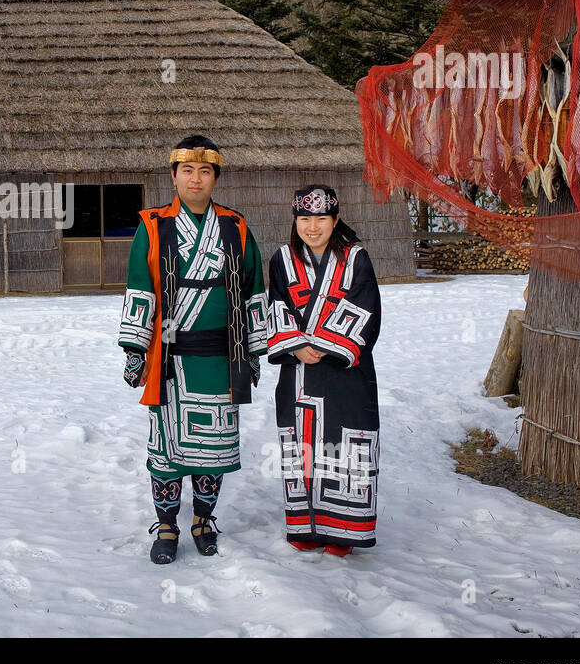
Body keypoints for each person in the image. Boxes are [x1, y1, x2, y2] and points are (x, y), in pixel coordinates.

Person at [117, 135, 268, 564]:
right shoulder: (152, 226)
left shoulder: (235, 228)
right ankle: (167, 525)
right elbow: (139, 287)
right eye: (187, 170)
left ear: (215, 178)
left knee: (212, 449)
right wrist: (134, 349)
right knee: (166, 451)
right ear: (173, 175)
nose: (196, 179)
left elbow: (255, 289)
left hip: (221, 357)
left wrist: (253, 350)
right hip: (168, 360)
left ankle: (204, 519)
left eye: (205, 171)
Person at [265, 185, 382, 556]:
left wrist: (326, 345)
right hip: (297, 371)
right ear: (294, 221)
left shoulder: (355, 259)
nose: (312, 227)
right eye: (304, 219)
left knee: (343, 443)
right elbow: (274, 306)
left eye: (320, 219)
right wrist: (296, 344)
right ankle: (306, 525)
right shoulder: (282, 260)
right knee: (302, 443)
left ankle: (343, 530)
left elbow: (366, 307)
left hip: (346, 372)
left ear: (335, 220)